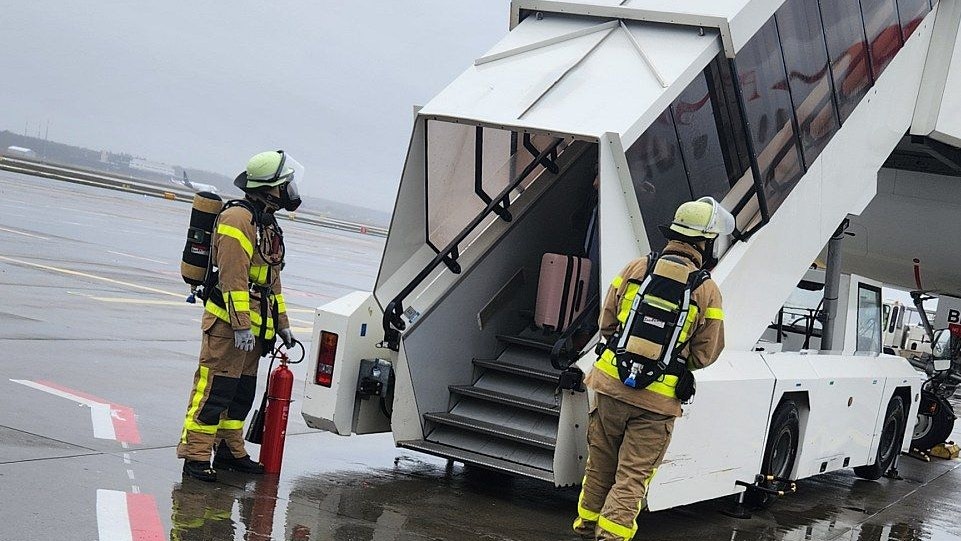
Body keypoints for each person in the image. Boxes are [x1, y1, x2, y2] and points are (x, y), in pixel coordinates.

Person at [573, 197, 732, 540]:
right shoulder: (707, 291)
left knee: (600, 465)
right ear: (704, 243)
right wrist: (672, 364)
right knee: (631, 476)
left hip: (610, 387)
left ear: (673, 234)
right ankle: (611, 537)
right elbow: (706, 354)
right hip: (655, 404)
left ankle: (586, 527)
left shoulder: (635, 269)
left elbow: (608, 322)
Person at [177, 150, 304, 482]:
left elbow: (271, 279)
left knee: (240, 393)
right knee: (214, 389)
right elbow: (233, 278)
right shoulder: (237, 219)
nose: (290, 189)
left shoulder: (266, 222)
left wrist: (283, 325)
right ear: (270, 186)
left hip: (254, 329)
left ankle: (230, 450)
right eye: (285, 183)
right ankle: (196, 455)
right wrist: (241, 325)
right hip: (229, 327)